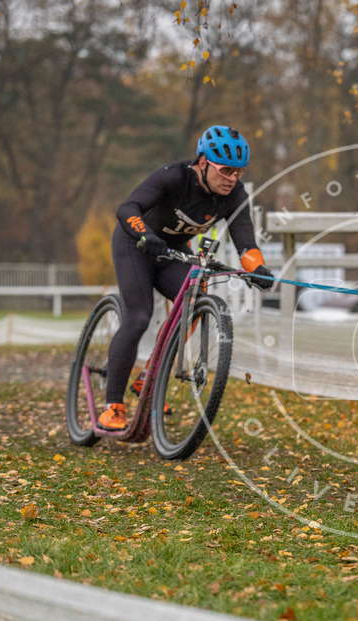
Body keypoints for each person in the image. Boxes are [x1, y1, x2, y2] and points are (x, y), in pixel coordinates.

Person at [97, 125, 273, 431]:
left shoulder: (234, 195)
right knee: (139, 316)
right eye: (226, 170)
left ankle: (149, 376)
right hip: (135, 244)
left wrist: (257, 269)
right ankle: (113, 405)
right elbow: (127, 208)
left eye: (239, 172)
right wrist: (144, 233)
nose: (232, 179)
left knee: (195, 301)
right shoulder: (173, 176)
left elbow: (245, 239)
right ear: (203, 163)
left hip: (172, 252)